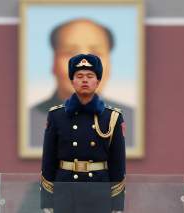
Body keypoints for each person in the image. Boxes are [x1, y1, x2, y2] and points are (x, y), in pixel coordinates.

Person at [29, 18, 134, 149]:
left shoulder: (130, 120)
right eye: (70, 53)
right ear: (54, 63)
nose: (84, 66)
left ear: (110, 65)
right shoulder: (29, 121)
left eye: (96, 53)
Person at [40, 54, 126, 213]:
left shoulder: (112, 117)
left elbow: (118, 165)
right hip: (65, 191)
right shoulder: (57, 115)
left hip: (98, 192)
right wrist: (47, 202)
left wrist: (117, 205)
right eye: (79, 76)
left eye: (90, 76)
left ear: (98, 81)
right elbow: (48, 162)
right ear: (72, 81)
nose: (84, 80)